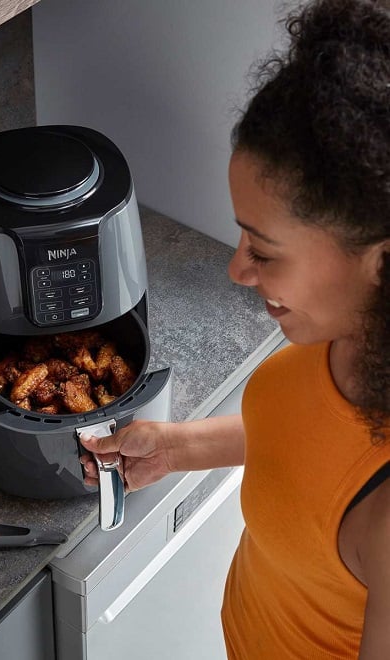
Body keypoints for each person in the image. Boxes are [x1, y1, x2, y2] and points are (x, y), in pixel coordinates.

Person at [80, 1, 390, 657]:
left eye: (265, 251)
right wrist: (176, 449)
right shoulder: (350, 330)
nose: (237, 270)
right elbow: (313, 442)